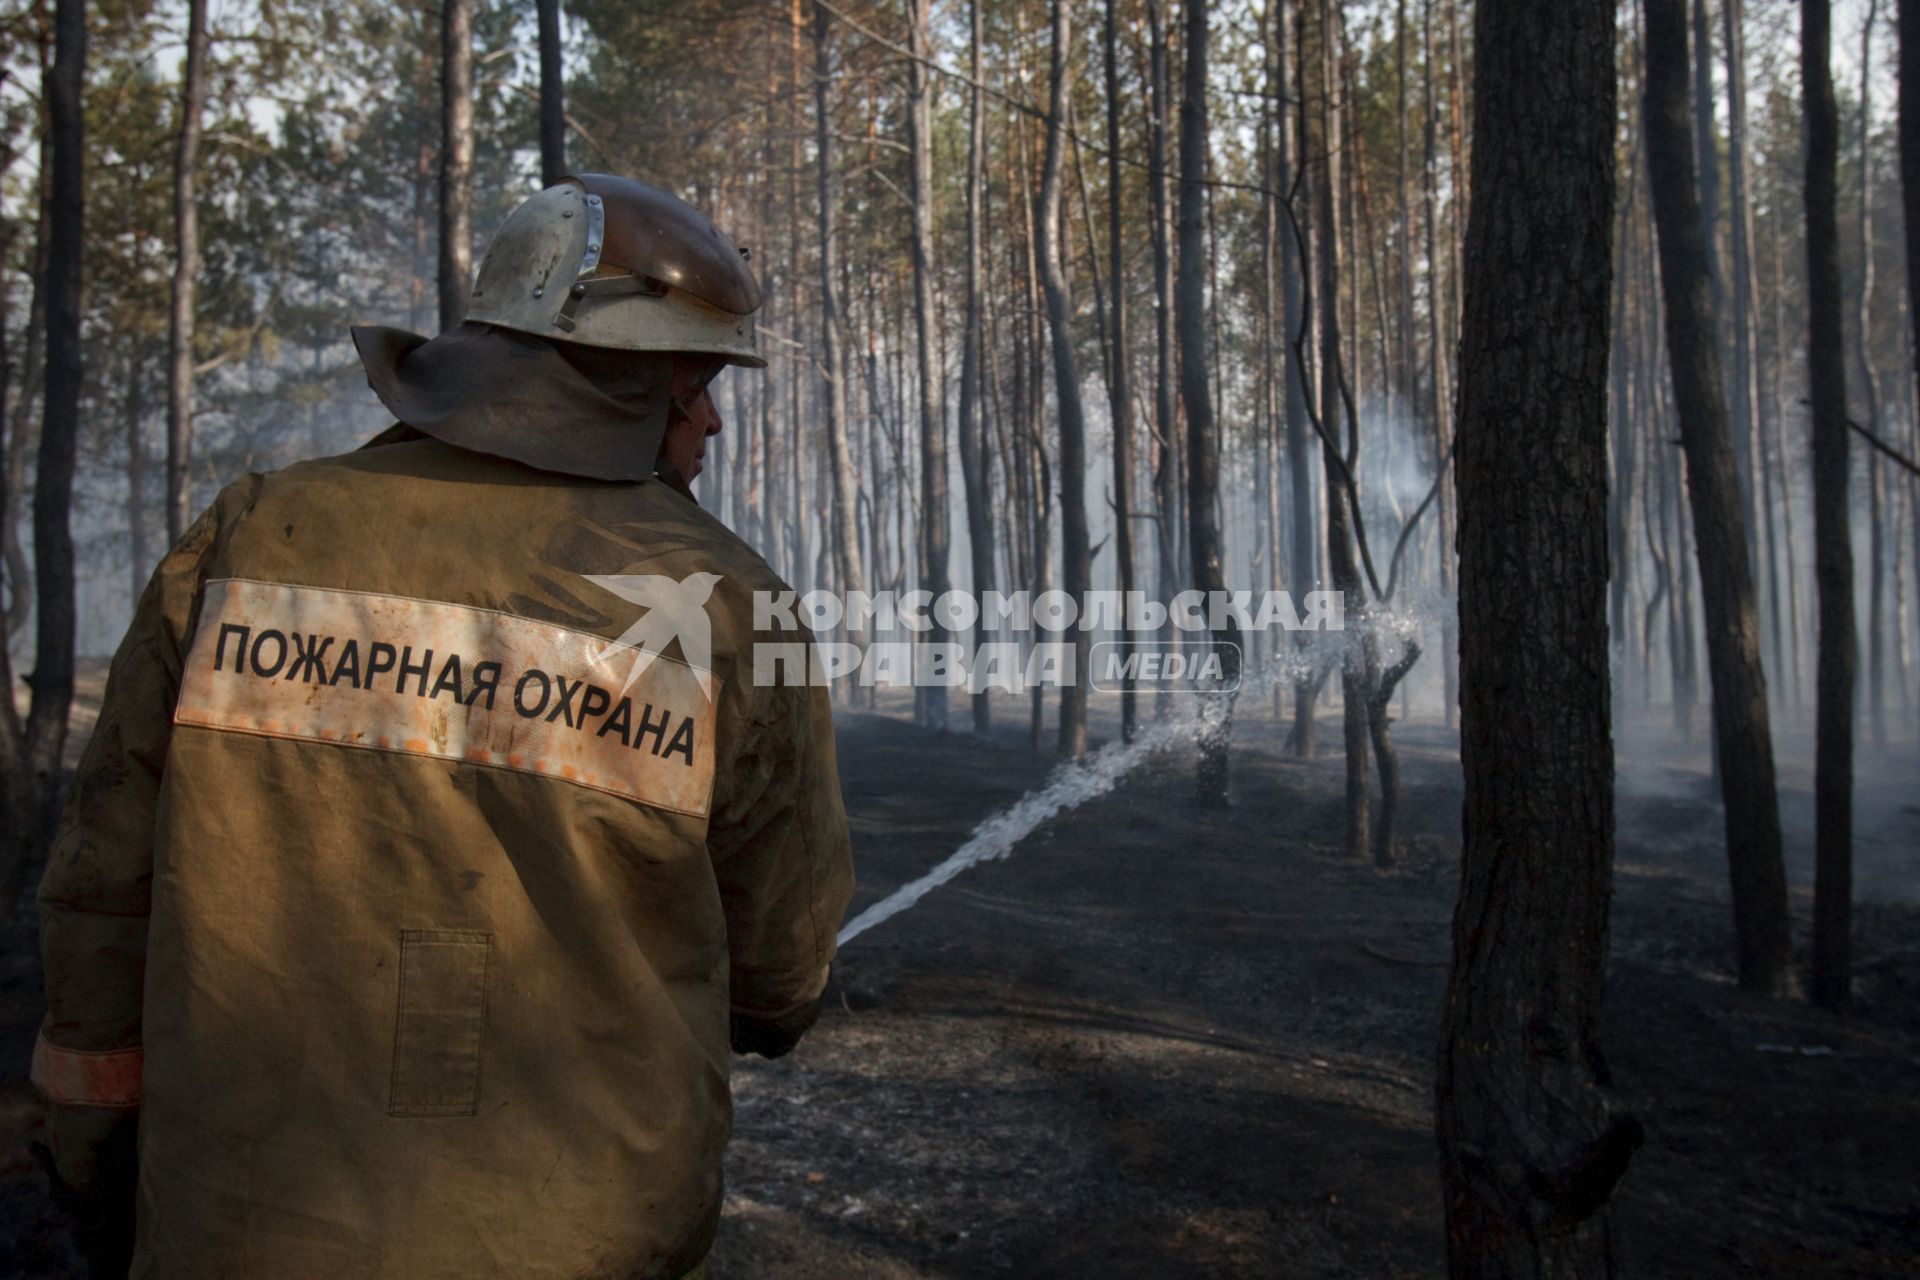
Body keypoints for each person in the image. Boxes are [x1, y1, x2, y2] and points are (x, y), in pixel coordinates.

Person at [30, 173, 853, 1279]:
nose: (708, 417)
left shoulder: (253, 532)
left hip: (233, 1227)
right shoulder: (733, 605)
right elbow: (781, 975)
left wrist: (96, 1175)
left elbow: (99, 894)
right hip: (582, 1239)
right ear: (615, 381)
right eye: (693, 381)